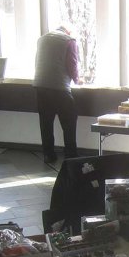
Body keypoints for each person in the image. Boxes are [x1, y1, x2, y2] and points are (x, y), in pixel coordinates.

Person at [33, 26, 81, 163]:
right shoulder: (69, 40)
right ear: (67, 32)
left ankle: (48, 154)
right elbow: (72, 64)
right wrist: (77, 80)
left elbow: (37, 62)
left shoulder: (41, 39)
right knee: (69, 122)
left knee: (46, 123)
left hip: (40, 85)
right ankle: (70, 155)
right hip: (60, 87)